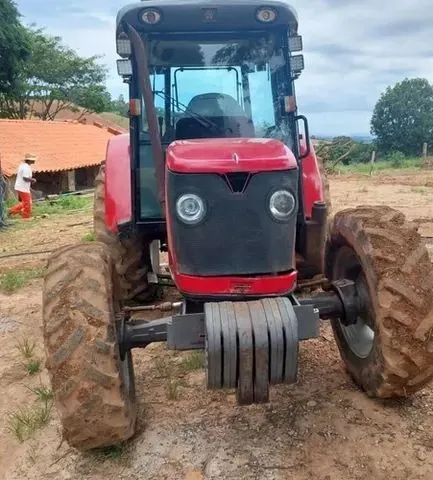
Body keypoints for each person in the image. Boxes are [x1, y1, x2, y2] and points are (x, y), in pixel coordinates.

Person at [8, 153, 37, 219]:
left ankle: (11, 211)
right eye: (33, 160)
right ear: (29, 160)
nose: (34, 161)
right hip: (22, 188)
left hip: (21, 187)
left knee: (25, 202)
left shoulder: (23, 165)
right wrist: (33, 180)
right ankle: (26, 217)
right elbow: (25, 178)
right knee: (28, 203)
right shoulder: (26, 167)